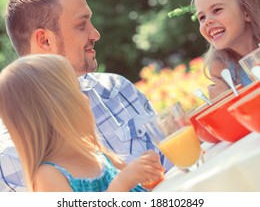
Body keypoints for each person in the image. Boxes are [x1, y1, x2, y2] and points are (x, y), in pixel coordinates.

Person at [0, 0, 172, 192]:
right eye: (81, 25)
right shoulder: (7, 159)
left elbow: (174, 168)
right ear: (45, 40)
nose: (95, 34)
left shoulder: (118, 90)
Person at [0, 54, 164, 192]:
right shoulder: (48, 176)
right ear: (51, 112)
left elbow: (136, 185)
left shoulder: (95, 152)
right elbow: (123, 183)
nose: (85, 98)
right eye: (75, 92)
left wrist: (144, 170)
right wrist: (123, 182)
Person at [192, 0, 260, 99]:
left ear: (246, 12)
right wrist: (226, 100)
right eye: (202, 17)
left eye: (216, 10)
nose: (207, 21)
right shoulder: (223, 72)